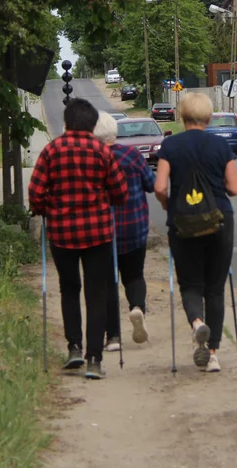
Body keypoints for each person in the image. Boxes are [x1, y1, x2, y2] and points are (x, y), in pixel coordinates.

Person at [28, 98, 128, 380]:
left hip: (61, 234)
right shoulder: (102, 152)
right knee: (97, 294)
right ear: (92, 124)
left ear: (67, 122)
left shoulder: (51, 151)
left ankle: (74, 347)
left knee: (69, 289)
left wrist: (46, 208)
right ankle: (94, 359)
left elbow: (35, 193)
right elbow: (120, 192)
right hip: (98, 233)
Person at [154, 92, 237, 373]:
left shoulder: (170, 145)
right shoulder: (220, 147)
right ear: (209, 117)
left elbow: (159, 187)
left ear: (182, 116)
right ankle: (213, 354)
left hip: (183, 225)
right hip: (219, 223)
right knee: (215, 289)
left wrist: (170, 206)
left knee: (190, 285)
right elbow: (235, 188)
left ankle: (197, 323)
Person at [93, 111, 155, 351]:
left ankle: (113, 338)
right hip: (134, 228)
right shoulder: (132, 155)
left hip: (102, 231)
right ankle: (137, 307)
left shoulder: (93, 160)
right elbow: (150, 183)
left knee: (107, 282)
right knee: (134, 274)